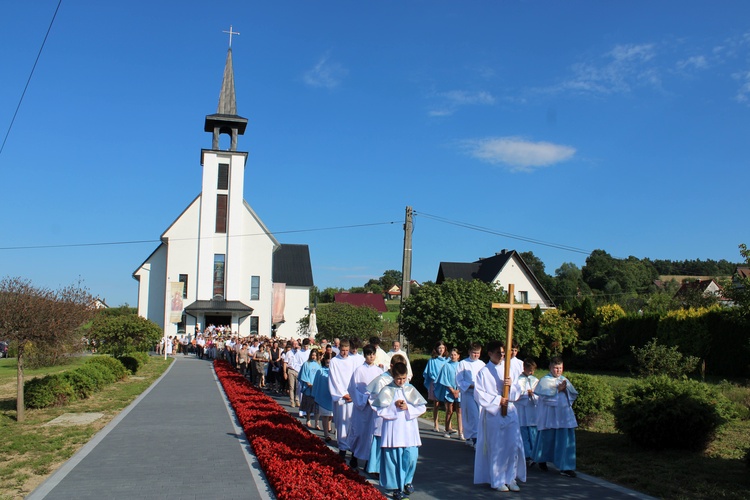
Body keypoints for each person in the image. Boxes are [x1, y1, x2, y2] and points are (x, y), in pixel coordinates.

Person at [473, 340, 526, 493]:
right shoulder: (484, 372)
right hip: (494, 413)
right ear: (490, 354)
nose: (501, 356)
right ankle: (497, 480)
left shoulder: (508, 369)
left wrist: (510, 387)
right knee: (497, 447)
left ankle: (511, 478)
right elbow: (479, 394)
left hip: (509, 411)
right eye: (498, 353)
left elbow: (517, 391)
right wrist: (497, 400)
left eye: (503, 353)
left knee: (512, 445)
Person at [372, 362, 427, 500]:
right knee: (393, 460)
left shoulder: (410, 389)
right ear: (393, 376)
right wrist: (393, 406)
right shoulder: (386, 390)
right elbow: (379, 409)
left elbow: (422, 407)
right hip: (393, 430)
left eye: (403, 378)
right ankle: (396, 487)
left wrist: (408, 407)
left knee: (411, 457)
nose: (401, 382)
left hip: (409, 430)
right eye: (398, 379)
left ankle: (407, 481)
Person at [532, 356, 578, 478]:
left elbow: (572, 396)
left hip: (564, 416)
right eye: (555, 368)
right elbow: (545, 399)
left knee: (565, 439)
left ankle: (566, 467)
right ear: (550, 367)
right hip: (550, 416)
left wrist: (565, 391)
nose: (558, 371)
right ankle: (542, 460)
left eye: (560, 368)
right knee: (547, 438)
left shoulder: (564, 380)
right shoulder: (545, 381)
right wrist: (557, 390)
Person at [366, 353, 406, 479]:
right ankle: (375, 467)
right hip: (382, 415)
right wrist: (383, 406)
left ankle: (391, 468)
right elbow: (373, 397)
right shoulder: (382, 379)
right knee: (379, 441)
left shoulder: (401, 379)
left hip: (397, 416)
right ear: (391, 366)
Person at [347, 344, 384, 470]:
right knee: (359, 432)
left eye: (373, 354)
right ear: (365, 355)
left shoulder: (379, 372)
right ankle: (354, 456)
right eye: (368, 354)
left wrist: (375, 400)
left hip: (373, 408)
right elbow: (352, 388)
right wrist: (363, 399)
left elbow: (382, 389)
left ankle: (370, 461)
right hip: (361, 407)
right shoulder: (359, 370)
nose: (371, 356)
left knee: (371, 434)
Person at [328, 339, 357, 465]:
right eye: (343, 350)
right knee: (341, 423)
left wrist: (352, 393)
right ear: (339, 349)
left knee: (351, 422)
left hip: (351, 396)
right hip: (340, 396)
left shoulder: (353, 361)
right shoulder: (334, 361)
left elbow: (356, 377)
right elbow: (334, 379)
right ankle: (342, 448)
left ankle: (351, 447)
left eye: (346, 350)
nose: (345, 353)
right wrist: (342, 393)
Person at [456, 343, 485, 447]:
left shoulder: (482, 364)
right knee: (472, 416)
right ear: (469, 352)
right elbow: (459, 380)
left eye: (478, 353)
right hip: (468, 393)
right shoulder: (463, 363)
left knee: (480, 415)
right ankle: (473, 438)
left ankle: (476, 437)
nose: (475, 355)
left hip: (480, 393)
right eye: (474, 353)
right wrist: (470, 386)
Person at [515, 358, 539, 464]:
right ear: (524, 368)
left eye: (533, 370)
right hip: (521, 409)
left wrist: (533, 394)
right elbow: (516, 394)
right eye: (530, 370)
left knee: (533, 433)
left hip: (532, 409)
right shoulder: (518, 379)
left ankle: (535, 454)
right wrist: (525, 394)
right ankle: (527, 455)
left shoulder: (535, 380)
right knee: (523, 433)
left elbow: (539, 395)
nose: (531, 372)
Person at [435, 348, 462, 439]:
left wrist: (458, 390)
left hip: (459, 391)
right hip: (449, 391)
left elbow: (463, 379)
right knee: (449, 411)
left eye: (455, 355)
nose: (453, 356)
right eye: (451, 354)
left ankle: (460, 432)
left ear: (458, 356)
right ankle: (447, 429)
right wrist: (452, 390)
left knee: (459, 411)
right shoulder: (446, 366)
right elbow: (444, 379)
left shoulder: (461, 365)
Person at [422, 341, 448, 432]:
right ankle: (436, 424)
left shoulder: (447, 360)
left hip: (445, 383)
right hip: (435, 383)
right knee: (436, 404)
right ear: (436, 349)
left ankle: (448, 425)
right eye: (439, 348)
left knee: (448, 405)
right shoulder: (432, 360)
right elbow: (429, 372)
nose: (441, 350)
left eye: (443, 348)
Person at [312, 352, 334, 442]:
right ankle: (326, 434)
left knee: (331, 416)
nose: (328, 362)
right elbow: (316, 384)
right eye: (327, 361)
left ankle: (330, 429)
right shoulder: (320, 371)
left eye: (330, 361)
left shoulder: (336, 372)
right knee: (325, 415)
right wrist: (315, 395)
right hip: (323, 396)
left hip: (333, 397)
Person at [299, 348, 322, 429]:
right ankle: (308, 419)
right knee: (308, 405)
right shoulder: (306, 364)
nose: (314, 357)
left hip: (316, 388)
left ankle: (317, 423)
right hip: (308, 388)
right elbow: (303, 375)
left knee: (317, 407)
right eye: (312, 355)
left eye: (315, 355)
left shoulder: (319, 365)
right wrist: (308, 383)